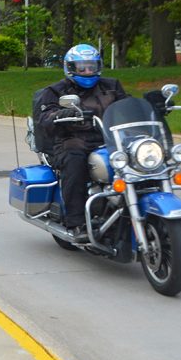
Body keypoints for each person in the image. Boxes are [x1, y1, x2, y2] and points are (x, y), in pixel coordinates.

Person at [33, 43, 129, 237]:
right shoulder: (56, 91)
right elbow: (45, 117)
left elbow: (126, 106)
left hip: (108, 139)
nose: (87, 71)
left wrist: (153, 104)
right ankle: (76, 222)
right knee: (74, 160)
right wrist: (63, 113)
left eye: (91, 66)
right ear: (70, 68)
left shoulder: (111, 86)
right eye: (81, 67)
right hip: (72, 139)